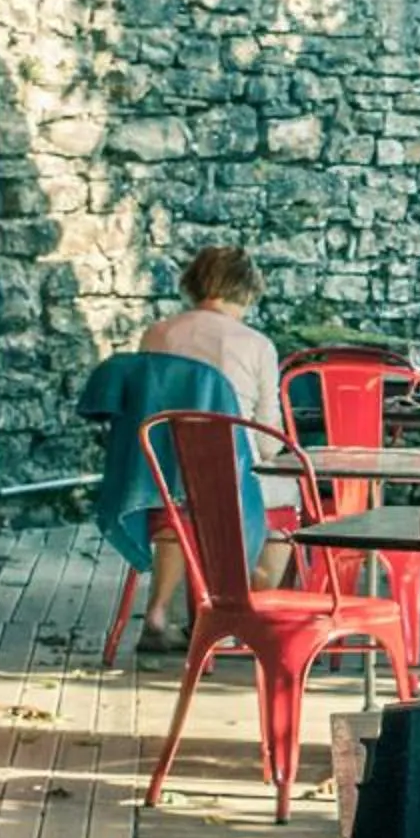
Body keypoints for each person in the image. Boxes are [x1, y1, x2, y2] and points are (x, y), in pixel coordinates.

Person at [133, 245, 298, 649]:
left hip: (160, 480)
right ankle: (241, 612)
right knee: (291, 498)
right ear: (246, 289)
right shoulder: (256, 344)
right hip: (232, 482)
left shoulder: (157, 334)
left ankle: (156, 611)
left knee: (180, 507)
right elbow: (265, 440)